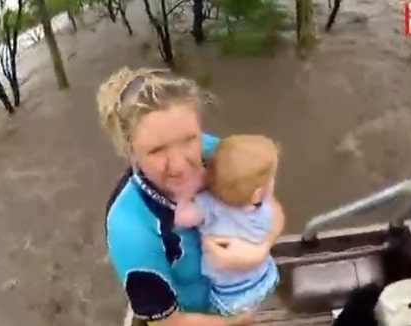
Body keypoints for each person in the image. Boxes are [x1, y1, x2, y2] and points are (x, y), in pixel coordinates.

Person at [96, 67, 286, 326]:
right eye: (156, 150)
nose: (180, 166)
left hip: (235, 299)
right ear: (130, 151)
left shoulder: (213, 153)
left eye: (188, 140)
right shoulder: (130, 227)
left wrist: (258, 250)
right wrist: (234, 322)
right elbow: (167, 322)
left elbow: (266, 203)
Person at [174, 134, 280, 316]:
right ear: (256, 194)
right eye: (271, 180)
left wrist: (183, 194)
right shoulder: (261, 208)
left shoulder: (209, 205)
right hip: (264, 278)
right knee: (250, 312)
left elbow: (179, 218)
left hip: (231, 297)